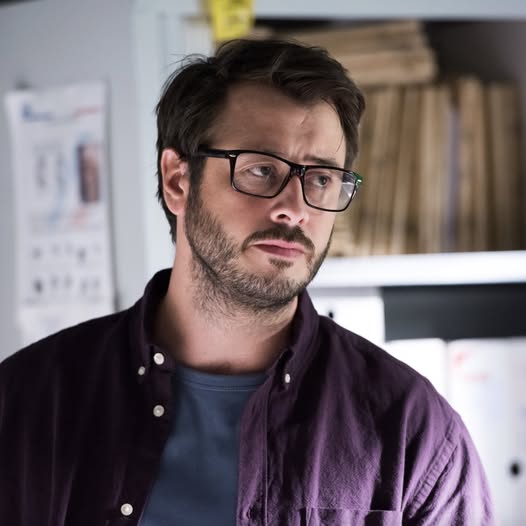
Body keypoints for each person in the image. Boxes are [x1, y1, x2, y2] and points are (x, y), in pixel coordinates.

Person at [0, 39, 494, 526]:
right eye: (261, 170)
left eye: (321, 179)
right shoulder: (25, 402)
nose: (294, 209)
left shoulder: (414, 432)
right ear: (178, 181)